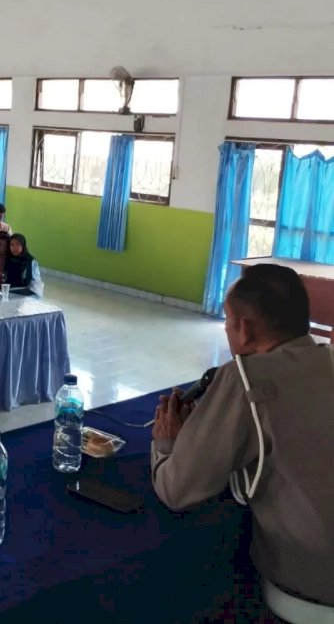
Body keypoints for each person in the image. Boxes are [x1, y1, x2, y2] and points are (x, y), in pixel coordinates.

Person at [151, 264, 334, 616]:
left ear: (245, 330)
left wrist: (168, 442)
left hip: (309, 589)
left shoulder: (247, 378)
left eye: (227, 322)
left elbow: (177, 490)